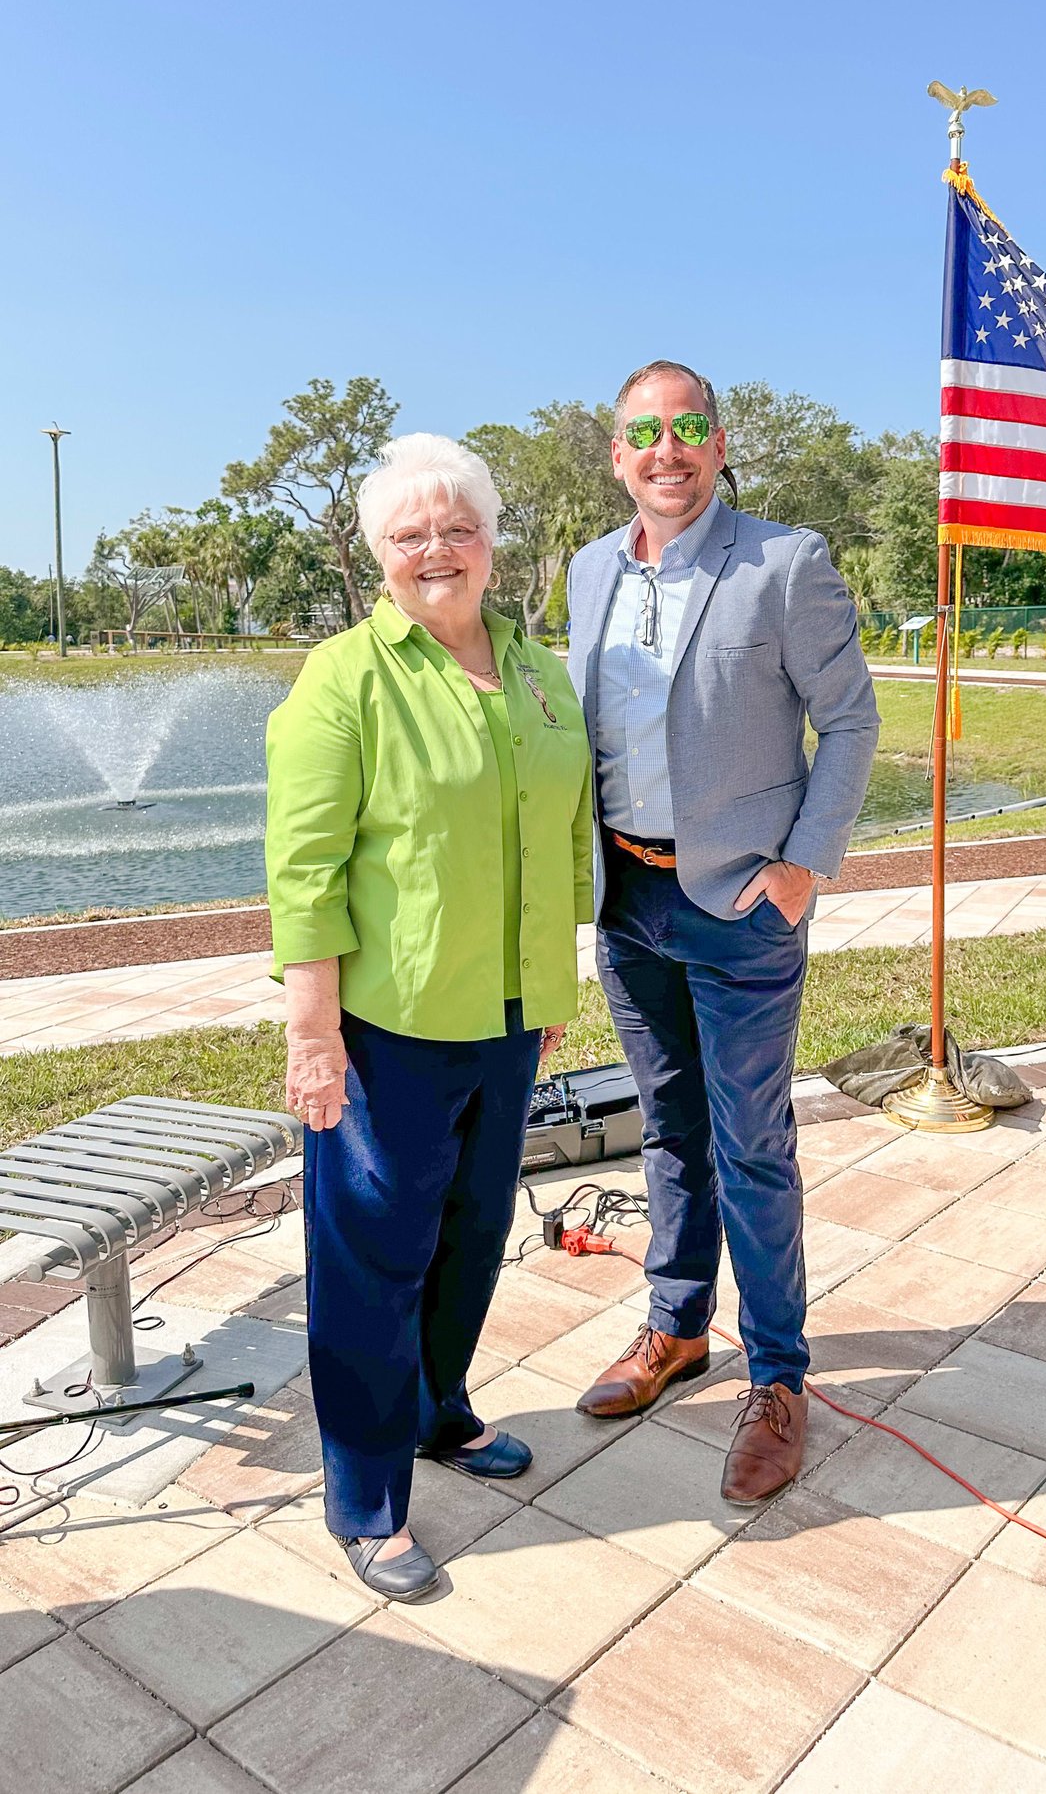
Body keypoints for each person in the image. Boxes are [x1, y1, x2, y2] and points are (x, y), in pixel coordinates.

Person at [266, 433, 592, 1601]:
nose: (436, 550)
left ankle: (438, 1410)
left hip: (508, 1014)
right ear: (378, 555)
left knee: (468, 1233)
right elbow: (303, 871)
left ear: (492, 542)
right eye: (410, 536)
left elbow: (562, 832)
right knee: (371, 1257)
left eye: (457, 527)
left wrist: (546, 982)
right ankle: (363, 1498)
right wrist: (312, 1036)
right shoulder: (342, 679)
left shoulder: (540, 669)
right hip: (384, 1028)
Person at [566, 360, 879, 1503]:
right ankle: (675, 1325)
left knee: (751, 1140)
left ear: (716, 439)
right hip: (629, 899)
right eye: (643, 432)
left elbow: (849, 718)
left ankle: (779, 1374)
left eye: (687, 426)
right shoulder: (587, 570)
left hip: (742, 906)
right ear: (616, 453)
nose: (667, 449)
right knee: (664, 1127)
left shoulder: (781, 562)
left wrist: (803, 867)